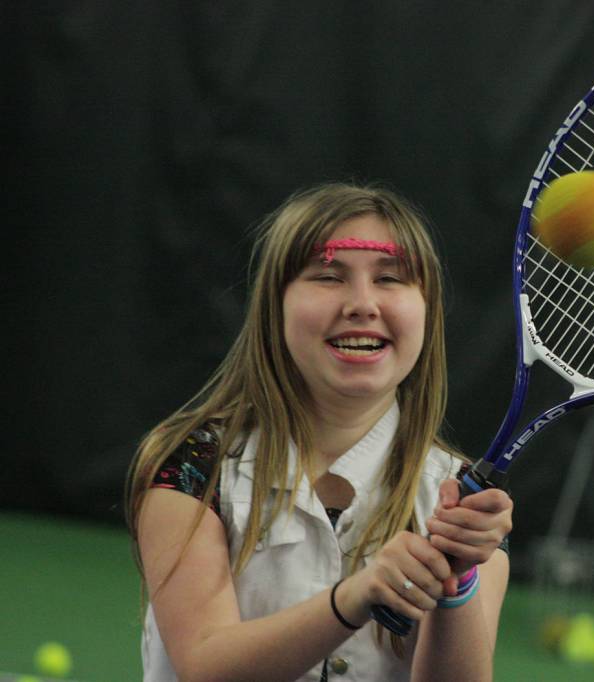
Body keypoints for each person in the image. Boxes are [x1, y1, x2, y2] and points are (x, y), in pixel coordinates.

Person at [125, 183, 514, 682]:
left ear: (427, 311)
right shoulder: (191, 464)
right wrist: (353, 598)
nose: (362, 304)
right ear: (275, 307)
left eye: (391, 278)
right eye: (328, 276)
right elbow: (207, 665)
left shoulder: (462, 501)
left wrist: (457, 582)